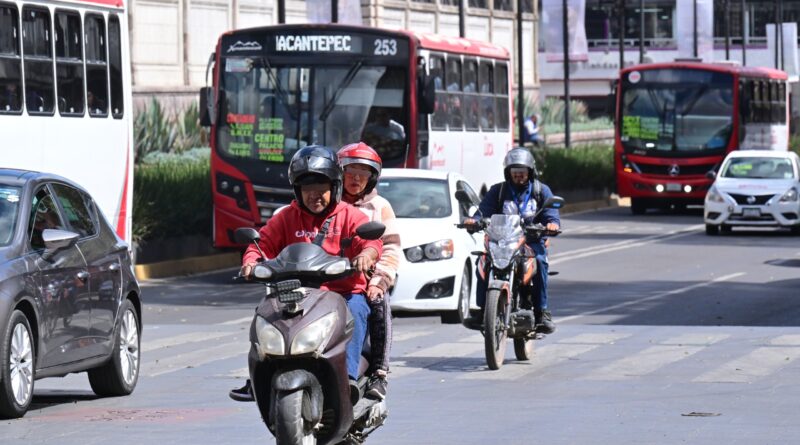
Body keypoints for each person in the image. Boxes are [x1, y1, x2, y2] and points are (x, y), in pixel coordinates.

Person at [229, 145, 382, 402]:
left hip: (342, 293)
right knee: (265, 313)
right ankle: (260, 377)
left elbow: (371, 243)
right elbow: (261, 243)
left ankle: (349, 379)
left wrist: (366, 255)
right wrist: (251, 261)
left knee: (357, 309)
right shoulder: (287, 217)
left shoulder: (350, 216)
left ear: (334, 187)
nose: (315, 195)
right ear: (297, 191)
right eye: (307, 188)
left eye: (321, 188)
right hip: (296, 293)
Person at [463, 147, 560, 334]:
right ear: (508, 173)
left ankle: (542, 312)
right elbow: (483, 212)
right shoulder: (498, 191)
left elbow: (551, 216)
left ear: (530, 172)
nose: (519, 177)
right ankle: (482, 310)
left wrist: (552, 225)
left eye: (522, 173)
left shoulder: (541, 191)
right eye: (515, 173)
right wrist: (474, 221)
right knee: (482, 262)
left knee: (540, 263)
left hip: (531, 242)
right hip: (502, 241)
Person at [338, 142, 401, 401]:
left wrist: (379, 280)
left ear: (371, 177)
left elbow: (391, 248)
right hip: (323, 279)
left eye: (362, 173)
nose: (355, 178)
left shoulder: (380, 206)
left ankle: (378, 372)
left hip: (364, 280)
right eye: (350, 171)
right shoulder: (327, 201)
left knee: (377, 304)